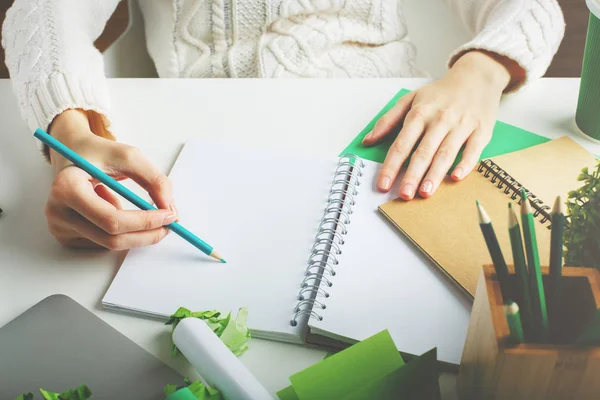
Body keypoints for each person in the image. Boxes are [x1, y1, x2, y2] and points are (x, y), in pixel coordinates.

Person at [1, 0, 564, 250]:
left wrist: (480, 77)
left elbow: (532, 7)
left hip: (386, 130)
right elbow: (42, 11)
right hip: (206, 133)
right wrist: (71, 136)